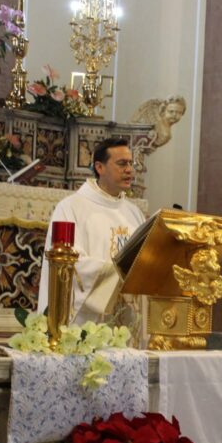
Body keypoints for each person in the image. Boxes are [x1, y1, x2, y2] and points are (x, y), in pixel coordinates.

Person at [37, 137, 145, 325]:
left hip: (127, 318)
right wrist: (117, 273)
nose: (129, 170)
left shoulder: (134, 213)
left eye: (130, 163)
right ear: (99, 167)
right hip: (88, 323)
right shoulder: (71, 208)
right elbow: (70, 263)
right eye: (121, 164)